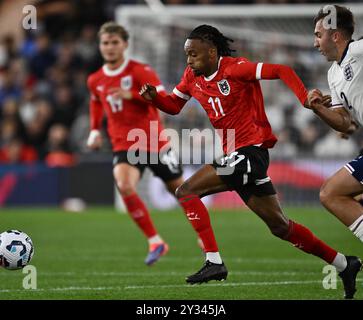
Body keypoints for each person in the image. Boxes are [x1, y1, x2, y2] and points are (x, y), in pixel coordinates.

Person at [140, 24, 361, 298]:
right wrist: (155, 100)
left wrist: (304, 97)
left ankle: (214, 261)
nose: (188, 60)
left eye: (193, 54)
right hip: (238, 157)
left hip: (251, 152)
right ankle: (344, 263)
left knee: (186, 191)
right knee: (281, 227)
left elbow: (281, 70)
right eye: (187, 55)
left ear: (211, 52)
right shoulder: (191, 76)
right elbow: (173, 105)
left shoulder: (236, 68)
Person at [87, 22, 184, 266]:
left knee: (183, 193)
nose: (109, 47)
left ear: (125, 45)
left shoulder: (141, 71)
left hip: (153, 140)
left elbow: (163, 100)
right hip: (124, 144)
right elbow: (96, 102)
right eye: (105, 43)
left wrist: (132, 95)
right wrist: (94, 130)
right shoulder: (95, 79)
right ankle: (155, 241)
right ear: (100, 46)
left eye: (114, 42)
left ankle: (206, 238)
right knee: (124, 184)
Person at [307, 5, 363, 272]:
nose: (315, 42)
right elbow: (344, 123)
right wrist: (319, 108)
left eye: (319, 35)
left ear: (336, 36)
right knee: (341, 195)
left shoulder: (359, 51)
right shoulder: (333, 74)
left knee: (332, 193)